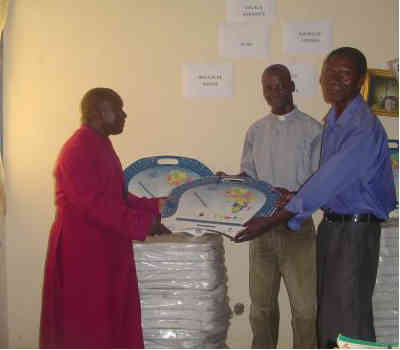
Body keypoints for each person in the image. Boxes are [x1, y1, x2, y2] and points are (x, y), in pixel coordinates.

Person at [235, 47, 396, 348]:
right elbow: (317, 183)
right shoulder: (333, 122)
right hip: (332, 226)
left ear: (361, 79)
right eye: (329, 72)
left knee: (347, 317)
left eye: (344, 73)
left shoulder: (361, 127)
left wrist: (277, 214)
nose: (333, 80)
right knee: (330, 315)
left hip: (354, 231)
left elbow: (324, 181)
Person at [40, 87, 170, 348]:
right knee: (88, 327)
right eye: (118, 109)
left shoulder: (99, 143)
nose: (124, 115)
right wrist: (147, 224)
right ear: (100, 112)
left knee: (112, 322)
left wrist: (157, 206)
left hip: (106, 247)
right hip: (83, 253)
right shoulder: (77, 149)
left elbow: (118, 197)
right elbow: (95, 205)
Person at [218, 64, 322, 348]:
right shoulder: (256, 131)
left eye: (279, 86)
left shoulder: (313, 129)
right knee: (261, 310)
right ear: (262, 90)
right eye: (268, 87)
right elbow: (249, 180)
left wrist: (293, 197)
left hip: (297, 229)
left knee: (304, 311)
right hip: (261, 230)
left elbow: (319, 183)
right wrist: (226, 181)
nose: (274, 92)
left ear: (291, 86)